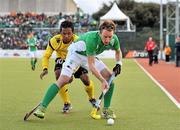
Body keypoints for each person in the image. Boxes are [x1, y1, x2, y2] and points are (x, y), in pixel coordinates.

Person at [33, 20, 123, 119]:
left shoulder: (114, 39)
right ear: (100, 33)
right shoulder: (92, 39)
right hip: (75, 55)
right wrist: (102, 81)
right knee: (63, 80)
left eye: (110, 37)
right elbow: (91, 65)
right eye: (105, 37)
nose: (107, 40)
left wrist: (119, 63)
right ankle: (42, 108)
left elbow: (118, 51)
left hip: (89, 56)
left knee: (110, 79)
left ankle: (106, 110)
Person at [40, 20, 96, 113]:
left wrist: (72, 72)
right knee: (59, 76)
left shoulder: (78, 41)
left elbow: (85, 56)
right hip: (61, 60)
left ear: (72, 33)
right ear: (60, 33)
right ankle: (66, 103)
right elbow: (46, 55)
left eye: (69, 33)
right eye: (64, 33)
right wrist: (45, 68)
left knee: (86, 80)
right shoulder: (54, 41)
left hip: (77, 60)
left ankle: (92, 98)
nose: (66, 36)